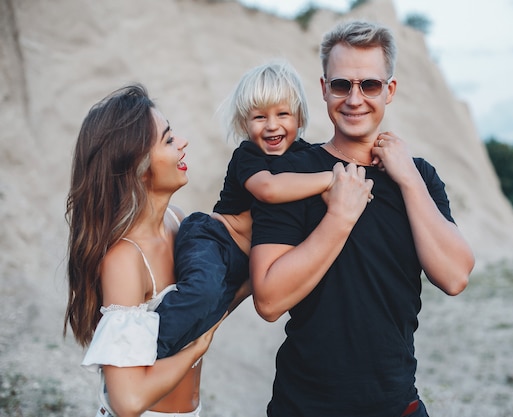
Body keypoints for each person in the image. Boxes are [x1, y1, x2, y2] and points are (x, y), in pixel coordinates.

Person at [249, 20, 475, 417]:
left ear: (389, 90)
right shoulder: (291, 174)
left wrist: (406, 178)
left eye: (369, 85)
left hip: (397, 404)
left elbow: (455, 276)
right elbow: (269, 300)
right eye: (341, 85)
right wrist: (339, 217)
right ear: (323, 89)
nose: (355, 99)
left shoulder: (419, 177)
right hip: (304, 407)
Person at [155, 60, 372, 358]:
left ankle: (166, 350)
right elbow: (268, 189)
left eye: (282, 114)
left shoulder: (303, 156)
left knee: (208, 318)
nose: (272, 125)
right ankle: (146, 345)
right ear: (245, 124)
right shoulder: (248, 155)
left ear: (299, 117)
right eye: (259, 117)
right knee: (200, 294)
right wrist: (332, 179)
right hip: (215, 241)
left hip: (241, 263)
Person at [64, 84, 223, 417]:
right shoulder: (124, 259)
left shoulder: (177, 221)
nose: (182, 143)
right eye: (167, 139)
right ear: (137, 164)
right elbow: (129, 401)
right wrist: (197, 347)